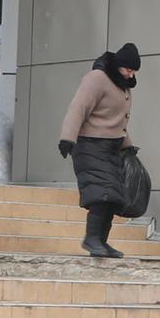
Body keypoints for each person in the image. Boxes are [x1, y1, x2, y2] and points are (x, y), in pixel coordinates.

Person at [58, 44, 140, 259]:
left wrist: (128, 146)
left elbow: (117, 122)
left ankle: (102, 241)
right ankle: (91, 239)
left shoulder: (123, 86)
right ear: (118, 65)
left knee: (114, 197)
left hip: (111, 148)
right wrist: (67, 138)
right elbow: (78, 108)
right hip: (89, 144)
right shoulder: (97, 78)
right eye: (128, 69)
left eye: (133, 71)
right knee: (101, 194)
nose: (130, 74)